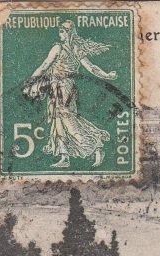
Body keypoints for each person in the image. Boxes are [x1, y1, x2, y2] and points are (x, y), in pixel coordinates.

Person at [23, 20, 116, 168]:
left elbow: (45, 66)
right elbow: (91, 68)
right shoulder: (72, 49)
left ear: (69, 33)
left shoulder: (62, 48)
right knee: (58, 120)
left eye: (63, 31)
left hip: (64, 87)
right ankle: (64, 156)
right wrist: (107, 75)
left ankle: (95, 144)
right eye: (60, 31)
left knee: (67, 119)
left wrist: (30, 82)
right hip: (58, 86)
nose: (60, 34)